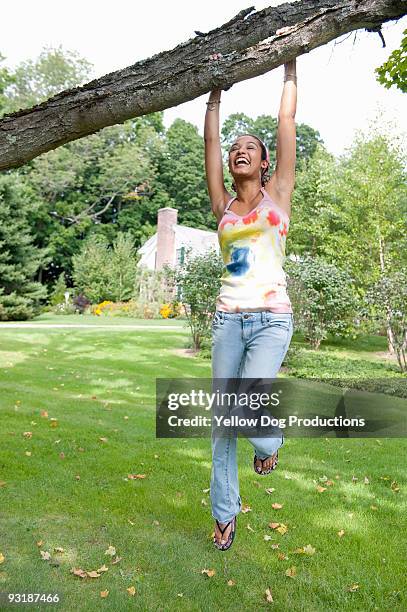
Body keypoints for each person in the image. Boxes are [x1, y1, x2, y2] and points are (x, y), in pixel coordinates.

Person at [204, 57, 297, 551]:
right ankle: (224, 513)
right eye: (236, 148)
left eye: (250, 149)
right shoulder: (222, 206)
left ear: (264, 163)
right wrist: (213, 95)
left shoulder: (277, 194)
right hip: (226, 321)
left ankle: (271, 442)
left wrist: (289, 66)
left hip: (270, 320)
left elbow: (286, 124)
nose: (239, 152)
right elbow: (210, 145)